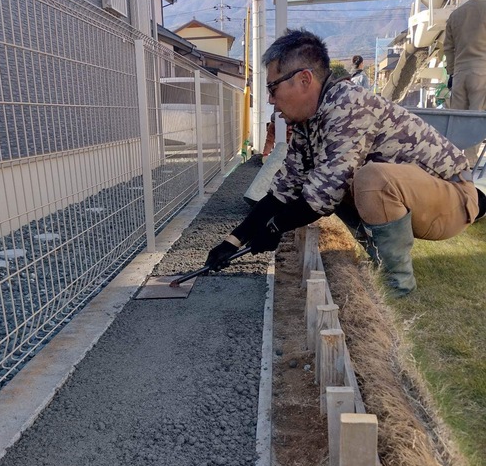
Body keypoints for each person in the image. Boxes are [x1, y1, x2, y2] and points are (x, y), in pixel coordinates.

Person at [204, 28, 486, 297]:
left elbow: (321, 198)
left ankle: (397, 284)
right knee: (340, 181)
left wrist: (275, 228)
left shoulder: (347, 105)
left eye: (273, 88)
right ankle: (380, 262)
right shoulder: (307, 123)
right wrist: (232, 242)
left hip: (453, 200)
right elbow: (283, 191)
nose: (270, 100)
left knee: (367, 180)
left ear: (304, 80)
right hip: (421, 199)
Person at [444, 0, 486, 165]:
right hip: (483, 73)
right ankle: (468, 171)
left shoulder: (456, 14)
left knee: (458, 126)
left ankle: (454, 168)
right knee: (476, 126)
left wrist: (453, 72)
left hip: (460, 75)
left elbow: (448, 48)